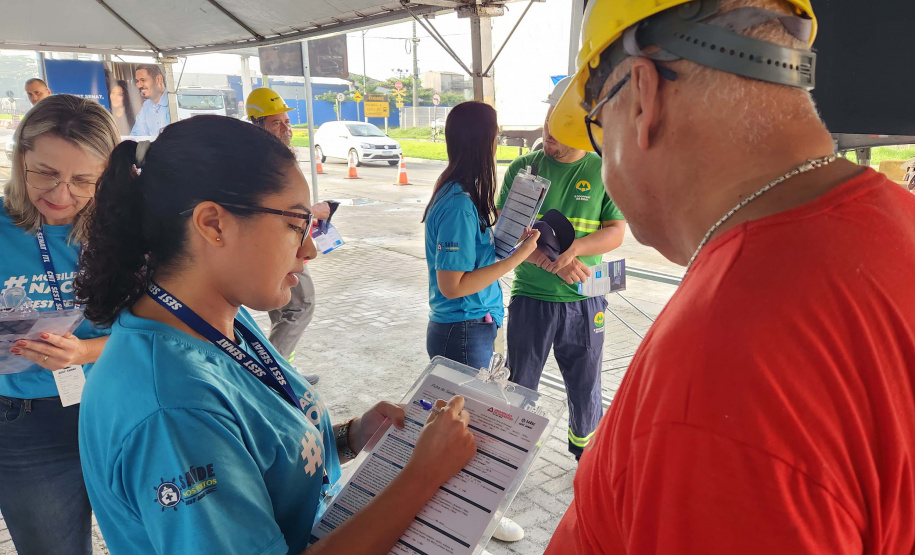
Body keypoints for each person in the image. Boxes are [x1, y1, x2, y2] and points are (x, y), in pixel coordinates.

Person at [545, 0, 915, 552]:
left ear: (643, 97)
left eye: (598, 128)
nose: (603, 163)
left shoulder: (723, 368)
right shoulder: (895, 222)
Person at [75, 115, 477, 555]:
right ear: (213, 224)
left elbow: (262, 452)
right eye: (295, 224)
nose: (308, 249)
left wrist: (350, 437)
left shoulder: (220, 318)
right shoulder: (173, 406)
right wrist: (422, 476)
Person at [0, 94, 118, 555]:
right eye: (46, 173)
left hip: (117, 407)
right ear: (20, 158)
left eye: (83, 180)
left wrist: (84, 352)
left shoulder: (122, 233)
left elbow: (160, 330)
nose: (61, 195)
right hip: (24, 422)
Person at [422, 101, 539, 544]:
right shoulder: (456, 203)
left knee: (460, 431)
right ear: (484, 142)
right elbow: (453, 284)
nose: (498, 142)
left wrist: (508, 240)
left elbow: (471, 262)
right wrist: (518, 257)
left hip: (473, 328)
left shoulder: (466, 194)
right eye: (495, 135)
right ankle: (463, 525)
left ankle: (468, 521)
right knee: (463, 433)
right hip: (462, 331)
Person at [498, 77, 626, 461]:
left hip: (585, 298)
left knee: (586, 383)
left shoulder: (603, 169)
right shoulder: (524, 169)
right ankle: (510, 454)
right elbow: (506, 235)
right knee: (520, 383)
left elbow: (616, 231)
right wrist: (553, 264)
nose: (548, 140)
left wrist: (576, 251)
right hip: (531, 297)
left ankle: (586, 456)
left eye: (558, 135)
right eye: (546, 129)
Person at [246, 87, 328, 384]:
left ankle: (282, 369)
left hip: (286, 241)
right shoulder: (263, 161)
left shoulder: (271, 156)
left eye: (287, 122)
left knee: (282, 308)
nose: (285, 129)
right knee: (300, 305)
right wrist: (311, 212)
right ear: (257, 124)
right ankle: (272, 376)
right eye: (275, 123)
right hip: (277, 246)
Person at [130, 65, 169, 137]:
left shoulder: (172, 102)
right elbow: (137, 136)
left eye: (143, 80)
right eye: (137, 81)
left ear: (159, 79)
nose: (139, 85)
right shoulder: (147, 106)